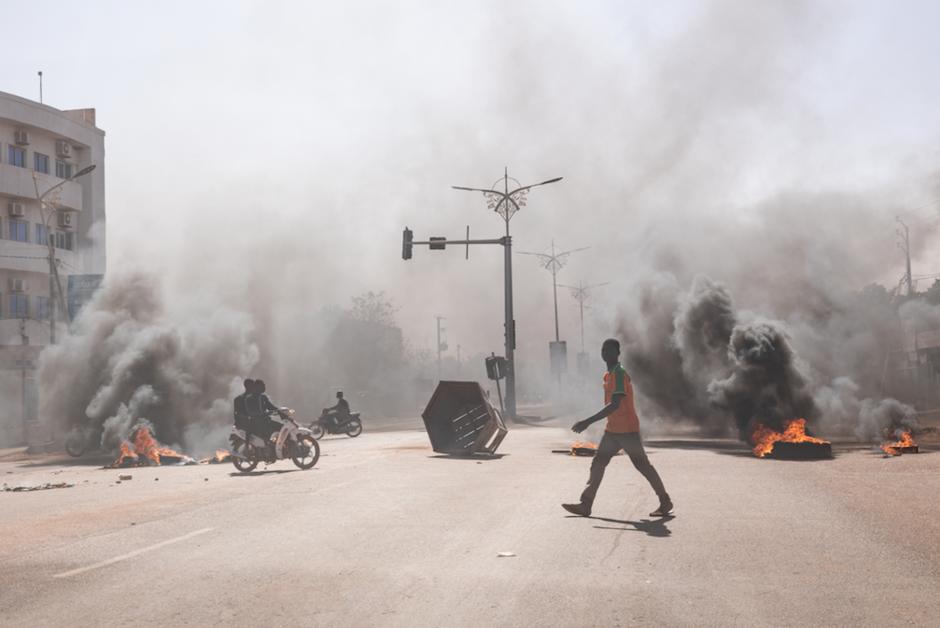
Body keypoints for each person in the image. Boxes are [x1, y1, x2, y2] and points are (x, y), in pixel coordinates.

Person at [562, 338, 673, 518]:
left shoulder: (620, 374)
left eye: (610, 350)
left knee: (643, 466)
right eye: (603, 350)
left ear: (617, 353)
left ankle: (665, 501)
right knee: (598, 462)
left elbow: (614, 405)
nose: (605, 353)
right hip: (613, 431)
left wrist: (587, 421)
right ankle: (586, 504)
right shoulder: (608, 375)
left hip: (628, 431)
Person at [246, 379, 286, 444]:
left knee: (283, 428)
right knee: (268, 437)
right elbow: (250, 412)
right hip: (256, 423)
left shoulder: (263, 397)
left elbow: (271, 407)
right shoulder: (249, 398)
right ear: (257, 387)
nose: (264, 387)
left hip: (266, 421)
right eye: (262, 385)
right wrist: (263, 414)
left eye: (264, 385)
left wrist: (280, 411)